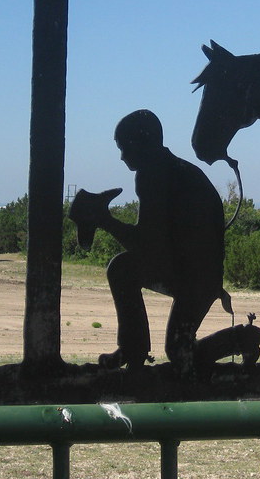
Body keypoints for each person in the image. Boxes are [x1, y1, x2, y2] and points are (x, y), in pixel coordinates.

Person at [70, 109, 227, 375]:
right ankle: (133, 348)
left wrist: (103, 219)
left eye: (124, 147)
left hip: (196, 277)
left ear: (142, 143)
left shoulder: (154, 174)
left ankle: (239, 340)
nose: (122, 156)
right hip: (194, 271)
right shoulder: (169, 169)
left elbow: (148, 245)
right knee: (179, 349)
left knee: (123, 270)